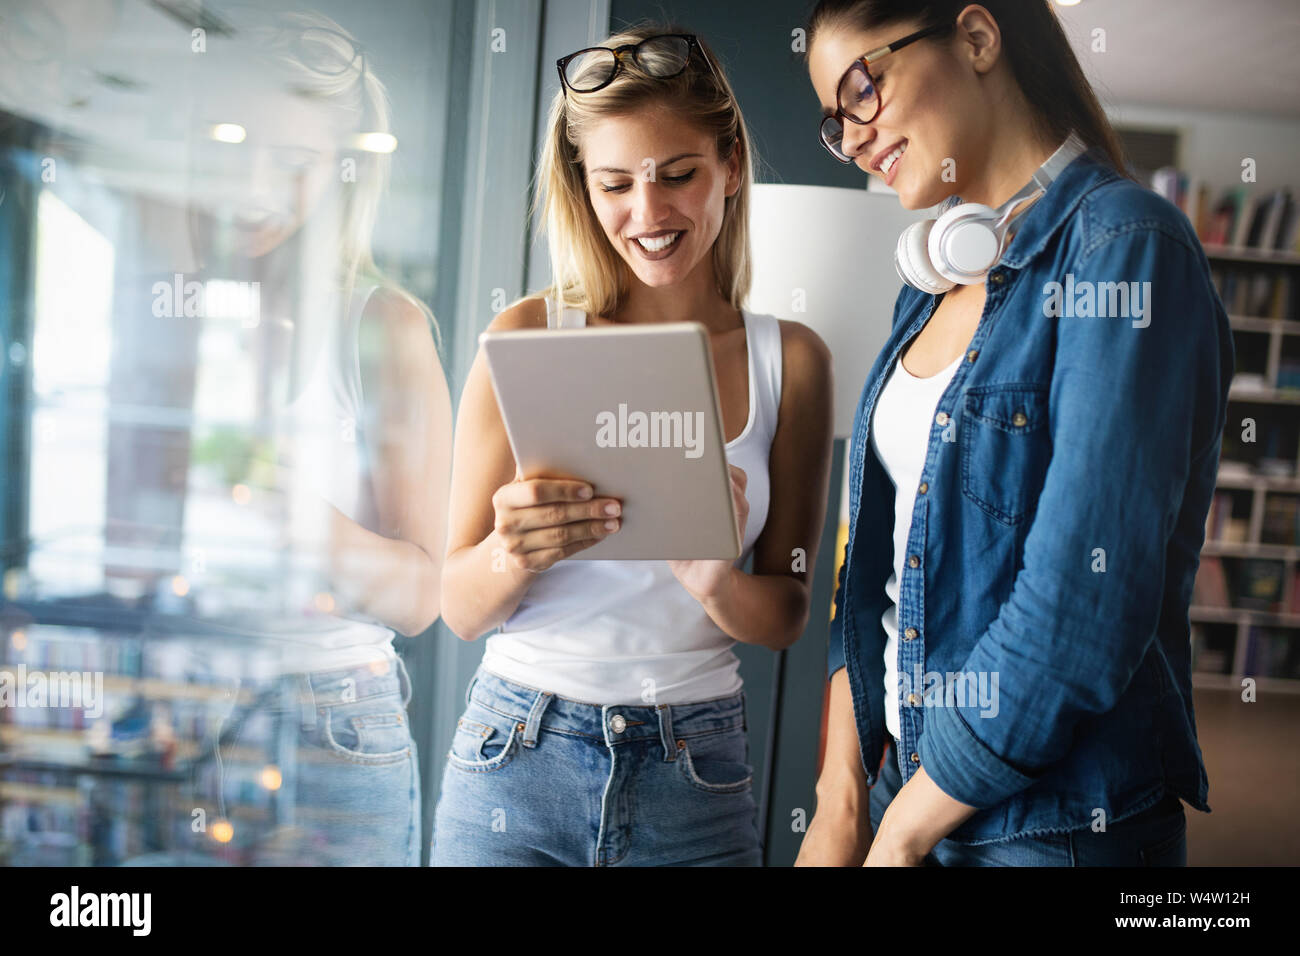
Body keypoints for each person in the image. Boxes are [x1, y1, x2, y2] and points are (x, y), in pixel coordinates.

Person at [797, 0, 1232, 866]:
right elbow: (872, 572)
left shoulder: (1127, 248)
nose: (851, 138)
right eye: (834, 121)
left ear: (978, 36)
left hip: (1046, 829)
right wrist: (841, 800)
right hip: (901, 794)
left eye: (861, 91)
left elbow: (1084, 604)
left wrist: (904, 832)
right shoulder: (924, 289)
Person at [433, 24, 834, 866]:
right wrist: (513, 552)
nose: (647, 214)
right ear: (583, 185)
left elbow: (789, 610)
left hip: (696, 765)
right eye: (615, 183)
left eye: (677, 175)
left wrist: (717, 583)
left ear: (729, 162)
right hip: (516, 750)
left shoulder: (789, 359)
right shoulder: (527, 332)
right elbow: (460, 609)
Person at [184, 9, 451, 866]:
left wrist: (294, 511)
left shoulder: (384, 324)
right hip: (179, 706)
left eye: (293, 163)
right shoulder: (169, 312)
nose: (256, 185)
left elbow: (422, 594)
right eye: (234, 146)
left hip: (326, 722)